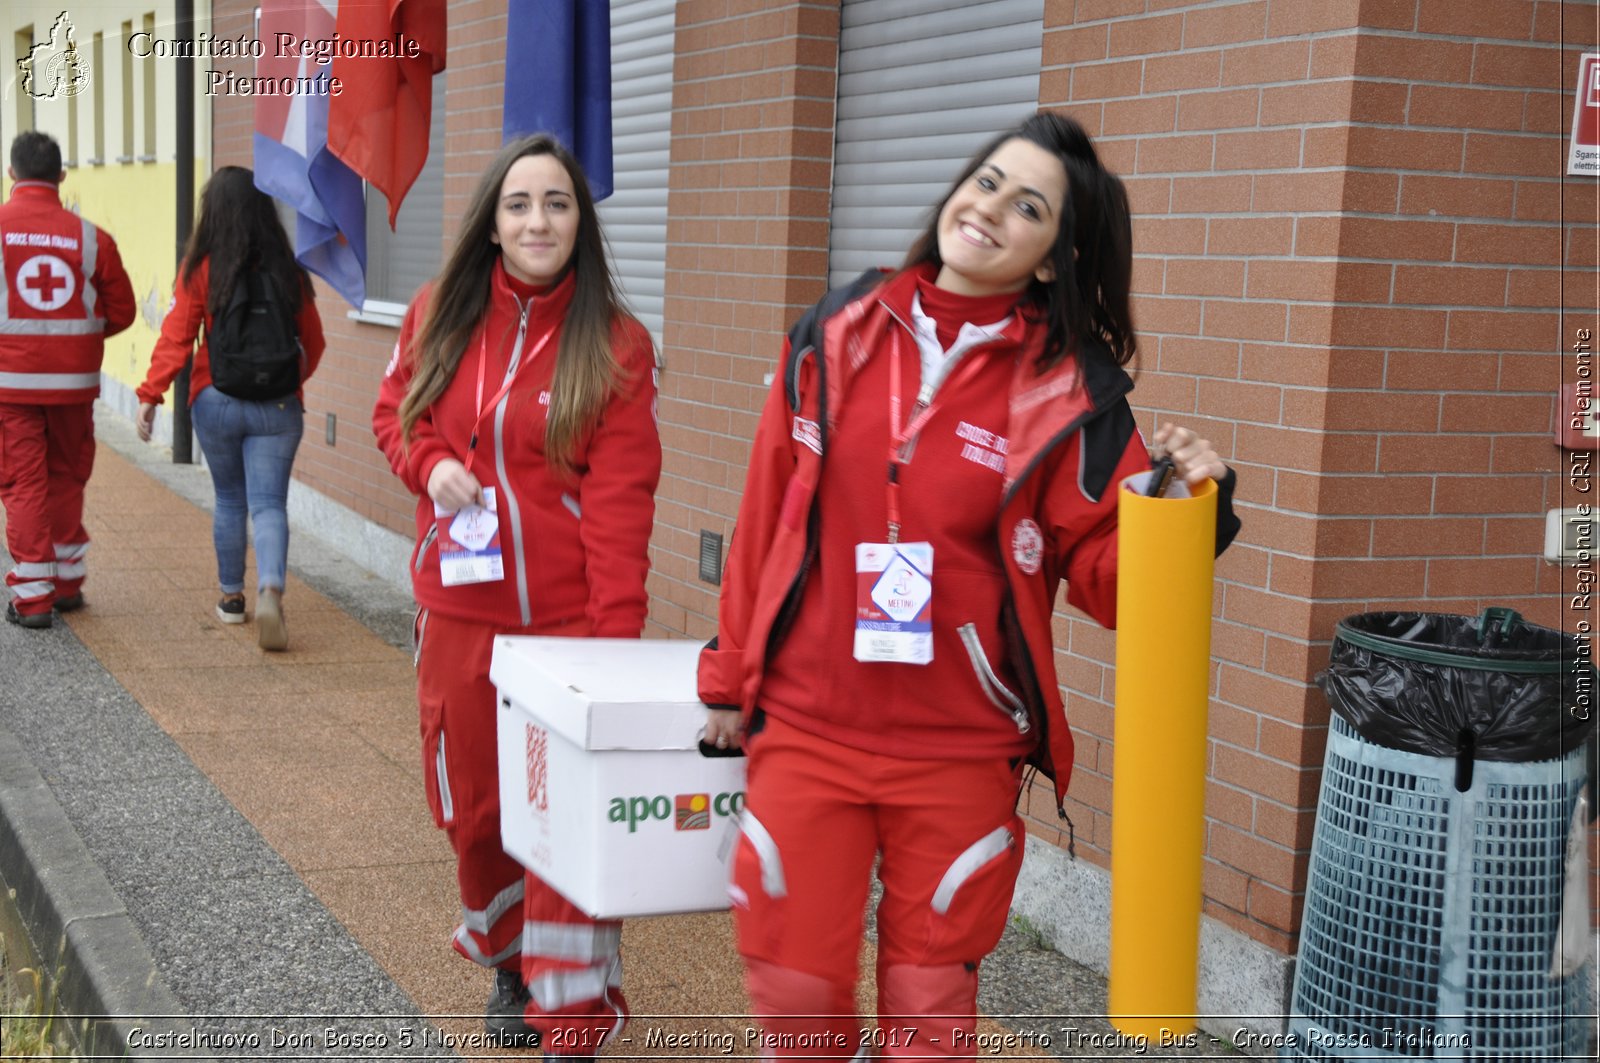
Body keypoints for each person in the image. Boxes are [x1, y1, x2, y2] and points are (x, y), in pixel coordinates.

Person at [698, 112, 1242, 1059]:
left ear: (1050, 259)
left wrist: (1189, 507)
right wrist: (726, 684)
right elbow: (764, 521)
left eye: (1028, 206)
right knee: (793, 991)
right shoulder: (832, 334)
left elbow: (1114, 586)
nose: (990, 208)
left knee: (928, 1007)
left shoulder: (1074, 398)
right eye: (987, 181)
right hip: (809, 726)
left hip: (958, 752)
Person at [371, 134, 661, 1055]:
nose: (539, 220)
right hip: (457, 616)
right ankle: (506, 962)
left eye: (559, 204)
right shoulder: (435, 313)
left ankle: (566, 999)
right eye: (521, 204)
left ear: (582, 222)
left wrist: (612, 654)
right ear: (492, 224)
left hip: (567, 629)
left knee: (564, 818)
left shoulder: (617, 343)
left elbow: (621, 510)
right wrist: (430, 464)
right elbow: (392, 416)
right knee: (479, 813)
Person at [135, 166, 324, 651]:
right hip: (278, 406)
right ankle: (271, 590)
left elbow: (177, 336)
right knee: (268, 504)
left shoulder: (203, 267)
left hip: (215, 398)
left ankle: (231, 599)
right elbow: (314, 342)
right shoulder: (288, 268)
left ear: (211, 212)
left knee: (230, 500)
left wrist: (150, 395)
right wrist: (284, 383)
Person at [0, 131, 136, 628]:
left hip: (10, 385)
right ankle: (67, 584)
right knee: (66, 473)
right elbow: (121, 311)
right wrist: (76, 342)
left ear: (12, 174)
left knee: (23, 481)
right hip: (73, 385)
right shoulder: (89, 236)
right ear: (61, 176)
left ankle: (33, 598)